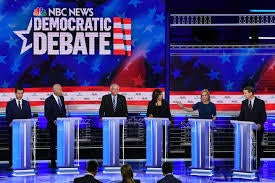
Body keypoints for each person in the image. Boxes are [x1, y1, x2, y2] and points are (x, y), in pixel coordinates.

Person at [239, 86, 267, 169]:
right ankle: (247, 163)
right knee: (247, 146)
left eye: (245, 93)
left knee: (257, 147)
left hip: (258, 128)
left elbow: (263, 116)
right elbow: (241, 116)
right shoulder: (244, 103)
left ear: (251, 93)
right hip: (246, 129)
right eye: (243, 93)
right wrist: (239, 124)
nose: (244, 95)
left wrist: (260, 124)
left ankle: (257, 164)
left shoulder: (260, 102)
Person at [6, 86, 32, 169]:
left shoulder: (26, 103)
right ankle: (12, 164)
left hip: (24, 130)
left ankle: (24, 163)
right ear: (15, 93)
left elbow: (29, 116)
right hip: (13, 131)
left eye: (21, 93)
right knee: (13, 148)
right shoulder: (10, 104)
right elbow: (8, 117)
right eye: (18, 93)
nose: (20, 95)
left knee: (24, 147)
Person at [44, 84, 66, 168]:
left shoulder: (62, 98)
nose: (61, 91)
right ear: (55, 90)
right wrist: (54, 121)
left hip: (62, 126)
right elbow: (47, 114)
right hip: (53, 126)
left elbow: (63, 111)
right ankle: (53, 161)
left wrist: (64, 121)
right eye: (60, 89)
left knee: (61, 143)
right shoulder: (48, 100)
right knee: (53, 144)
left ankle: (61, 160)